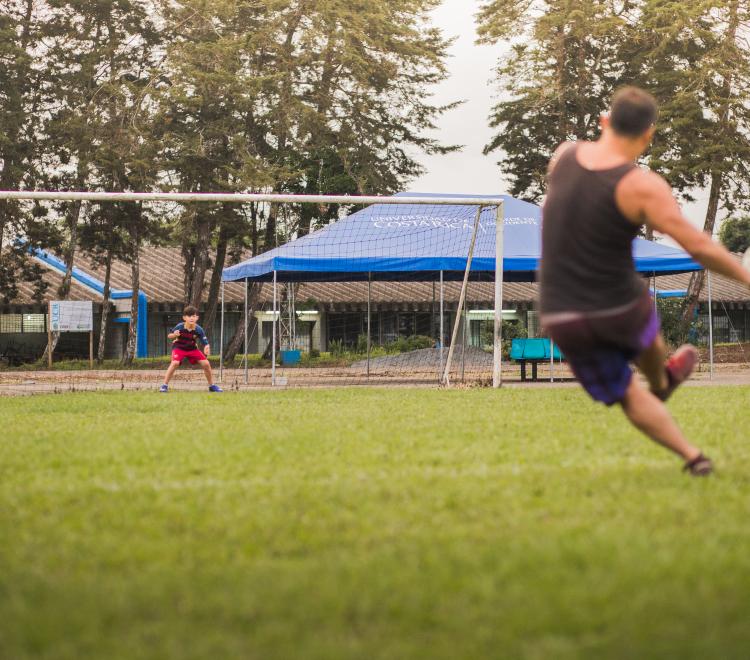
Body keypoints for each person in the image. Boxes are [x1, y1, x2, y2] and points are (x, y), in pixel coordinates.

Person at [540, 86, 750, 476]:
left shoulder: (563, 156)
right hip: (618, 305)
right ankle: (663, 378)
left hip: (560, 312)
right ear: (648, 134)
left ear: (605, 121)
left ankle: (693, 457)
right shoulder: (643, 186)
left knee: (626, 392)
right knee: (642, 326)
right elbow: (698, 247)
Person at [159, 305, 222, 393]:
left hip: (192, 349)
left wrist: (207, 347)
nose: (192, 318)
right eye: (189, 316)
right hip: (179, 348)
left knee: (206, 364)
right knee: (175, 363)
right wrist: (174, 335)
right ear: (184, 317)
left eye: (194, 316)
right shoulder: (180, 326)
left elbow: (205, 342)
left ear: (197, 318)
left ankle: (212, 386)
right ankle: (164, 385)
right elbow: (170, 335)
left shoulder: (199, 329)